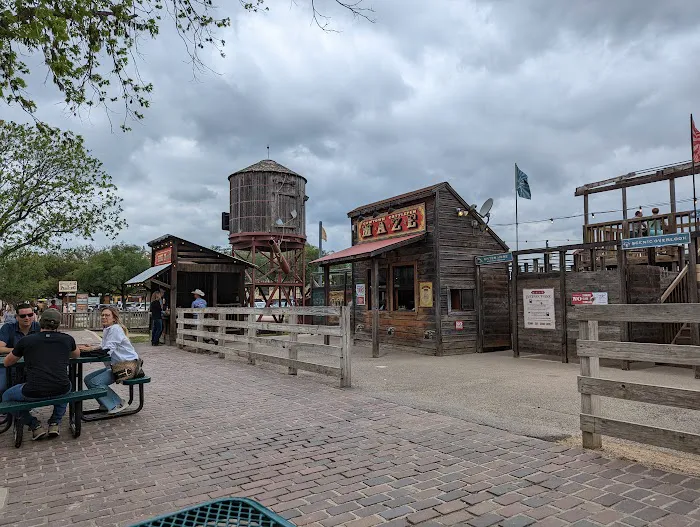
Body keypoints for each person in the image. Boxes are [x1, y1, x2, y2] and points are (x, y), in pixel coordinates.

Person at [2, 309, 79, 439]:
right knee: (66, 385)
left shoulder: (27, 341)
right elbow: (76, 355)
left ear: (40, 322)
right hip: (60, 389)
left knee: (6, 397)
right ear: (58, 324)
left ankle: (34, 425)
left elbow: (7, 362)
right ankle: (55, 422)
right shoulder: (67, 339)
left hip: (33, 391)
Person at [80, 307, 140, 414]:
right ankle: (105, 403)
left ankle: (117, 403)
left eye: (107, 315)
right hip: (118, 366)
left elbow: (107, 350)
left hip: (128, 367)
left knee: (94, 382)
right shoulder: (108, 329)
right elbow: (105, 346)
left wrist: (87, 352)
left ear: (114, 318)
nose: (103, 317)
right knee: (88, 379)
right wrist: (91, 348)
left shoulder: (115, 329)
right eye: (102, 315)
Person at [0, 303, 41, 397]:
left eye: (30, 315)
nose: (27, 318)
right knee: (2, 387)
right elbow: (0, 348)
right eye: (23, 316)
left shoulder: (39, 327)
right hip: (8, 365)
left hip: (32, 366)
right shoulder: (8, 328)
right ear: (17, 317)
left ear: (34, 315)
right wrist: (19, 350)